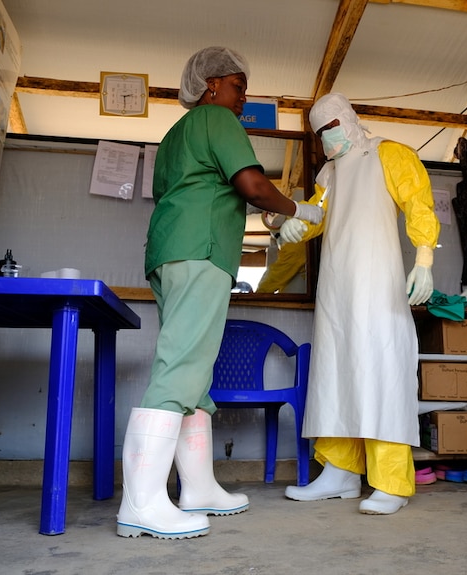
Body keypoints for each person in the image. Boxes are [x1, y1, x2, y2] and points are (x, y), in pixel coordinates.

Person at [116, 46, 324, 540]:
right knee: (181, 366)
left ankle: (199, 487)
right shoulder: (217, 119)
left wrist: (270, 217)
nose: (242, 99)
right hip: (201, 252)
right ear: (210, 85)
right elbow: (251, 184)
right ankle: (140, 502)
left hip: (171, 251)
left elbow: (208, 192)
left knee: (194, 368)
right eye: (237, 86)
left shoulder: (175, 136)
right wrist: (296, 210)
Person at [280, 93, 439, 515]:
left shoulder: (388, 154)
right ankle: (340, 473)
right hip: (337, 290)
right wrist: (298, 222)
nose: (327, 138)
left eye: (332, 126)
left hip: (378, 286)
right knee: (335, 375)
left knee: (381, 375)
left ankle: (391, 483)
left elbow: (418, 203)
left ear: (349, 120)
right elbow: (319, 212)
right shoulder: (329, 174)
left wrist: (424, 258)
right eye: (319, 133)